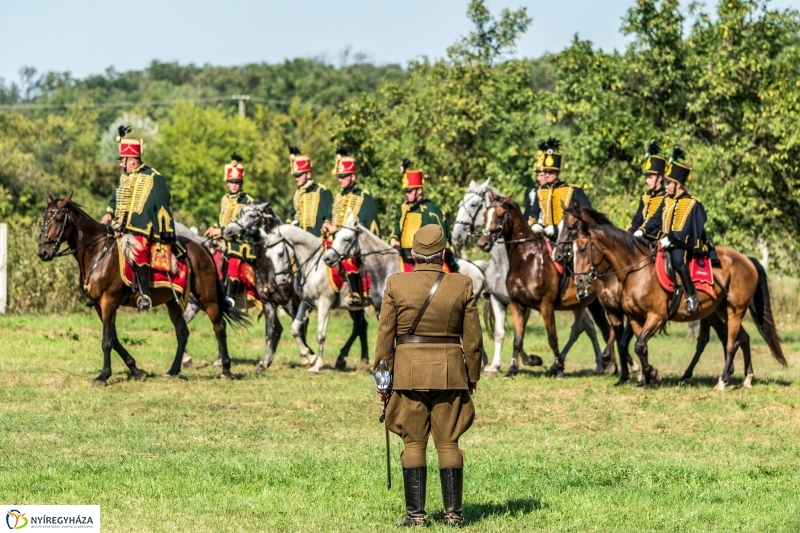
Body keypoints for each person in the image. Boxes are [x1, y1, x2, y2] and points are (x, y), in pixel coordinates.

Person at [373, 224, 482, 528]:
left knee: (413, 443)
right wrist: (472, 375)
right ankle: (453, 516)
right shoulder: (462, 284)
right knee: (448, 443)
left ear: (414, 255)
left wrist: (382, 381)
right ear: (442, 254)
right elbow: (473, 339)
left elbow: (384, 338)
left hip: (408, 375)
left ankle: (416, 516)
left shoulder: (396, 284)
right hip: (451, 374)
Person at [101, 125, 176, 311]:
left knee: (139, 250)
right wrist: (110, 212)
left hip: (143, 229)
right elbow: (116, 198)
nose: (121, 164)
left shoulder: (153, 177)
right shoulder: (125, 178)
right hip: (121, 228)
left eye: (123, 160)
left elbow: (163, 204)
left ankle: (145, 295)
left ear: (132, 160)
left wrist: (165, 231)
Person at [320, 147, 380, 306]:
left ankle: (356, 294)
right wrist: (327, 223)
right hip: (336, 242)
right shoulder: (338, 197)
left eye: (343, 176)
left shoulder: (363, 196)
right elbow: (330, 216)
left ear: (352, 176)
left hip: (354, 244)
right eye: (339, 177)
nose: (340, 180)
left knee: (347, 259)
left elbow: (366, 225)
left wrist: (338, 229)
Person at [203, 153, 258, 308]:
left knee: (233, 260)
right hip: (223, 241)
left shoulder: (248, 201)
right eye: (232, 182)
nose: (234, 185)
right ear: (227, 183)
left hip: (241, 243)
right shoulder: (225, 199)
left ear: (241, 183)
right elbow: (223, 220)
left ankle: (231, 298)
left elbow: (245, 228)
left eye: (237, 182)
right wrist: (214, 227)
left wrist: (220, 232)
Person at [658, 146, 709, 313]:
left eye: (668, 183)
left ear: (678, 184)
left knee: (678, 261)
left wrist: (673, 240)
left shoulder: (693, 203)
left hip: (682, 245)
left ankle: (692, 296)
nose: (666, 186)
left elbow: (691, 228)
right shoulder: (667, 201)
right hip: (664, 241)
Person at [389, 158, 458, 273]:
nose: (407, 194)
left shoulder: (431, 210)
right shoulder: (405, 208)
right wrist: (394, 238)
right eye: (406, 191)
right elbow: (398, 225)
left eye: (410, 191)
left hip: (426, 261)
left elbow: (443, 236)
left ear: (419, 190)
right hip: (405, 258)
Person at [523, 137, 592, 242]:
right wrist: (535, 224)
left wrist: (557, 228)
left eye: (551, 172)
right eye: (546, 172)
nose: (547, 175)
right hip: (545, 235)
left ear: (558, 172)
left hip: (568, 237)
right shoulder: (540, 191)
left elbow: (586, 213)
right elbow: (533, 214)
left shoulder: (574, 190)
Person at [288, 146, 333, 237]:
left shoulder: (322, 192)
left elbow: (330, 216)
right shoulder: (297, 194)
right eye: (295, 176)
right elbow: (292, 218)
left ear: (308, 174)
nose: (296, 179)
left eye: (299, 175)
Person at [628, 141, 667, 240]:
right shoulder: (645, 196)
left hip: (658, 238)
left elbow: (656, 220)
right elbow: (638, 219)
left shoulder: (667, 197)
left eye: (650, 177)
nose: (646, 181)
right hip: (644, 237)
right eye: (646, 177)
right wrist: (628, 234)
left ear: (659, 178)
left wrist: (642, 230)